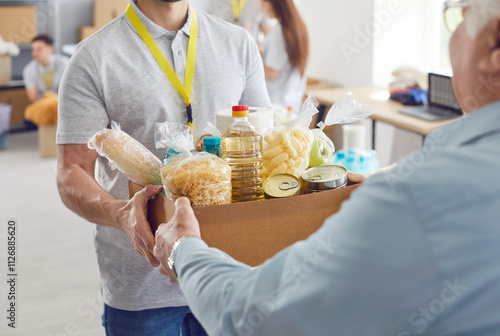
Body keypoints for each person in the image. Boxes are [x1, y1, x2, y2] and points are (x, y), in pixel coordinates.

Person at [152, 0, 500, 335]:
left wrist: (184, 249)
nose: (451, 37)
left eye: (456, 17)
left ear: (494, 48)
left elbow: (252, 316)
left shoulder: (415, 198)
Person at [55, 0, 270, 334]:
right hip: (142, 285)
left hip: (230, 275)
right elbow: (72, 170)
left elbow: (265, 146)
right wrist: (119, 213)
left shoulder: (238, 43)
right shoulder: (94, 57)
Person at [260, 0, 308, 114]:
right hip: (290, 102)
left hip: (276, 104)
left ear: (276, 4)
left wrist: (250, 60)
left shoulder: (278, 31)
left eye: (264, 5)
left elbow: (271, 73)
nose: (263, 10)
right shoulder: (298, 27)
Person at [23, 35, 69, 103]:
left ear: (50, 50)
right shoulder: (29, 69)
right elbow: (33, 99)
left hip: (62, 105)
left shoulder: (64, 64)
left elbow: (70, 93)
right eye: (33, 49)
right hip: (42, 105)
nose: (34, 53)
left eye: (39, 49)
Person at [206, 0, 273, 41]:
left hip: (249, 55)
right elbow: (208, 30)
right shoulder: (214, 2)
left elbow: (269, 34)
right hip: (222, 54)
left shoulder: (262, 3)